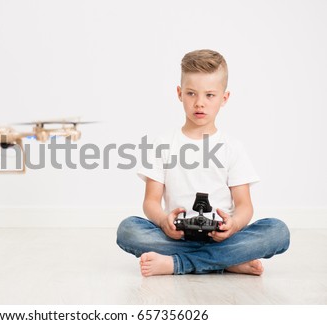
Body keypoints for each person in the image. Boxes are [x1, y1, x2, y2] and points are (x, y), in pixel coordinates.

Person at [116, 49, 290, 277]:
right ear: (179, 93)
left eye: (209, 95)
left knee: (278, 231)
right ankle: (226, 261)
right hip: (177, 236)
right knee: (128, 230)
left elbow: (244, 206)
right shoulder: (162, 144)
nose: (199, 103)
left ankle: (179, 263)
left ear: (224, 98)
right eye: (191, 94)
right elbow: (150, 202)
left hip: (221, 238)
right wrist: (163, 221)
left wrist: (233, 225)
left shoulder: (232, 148)